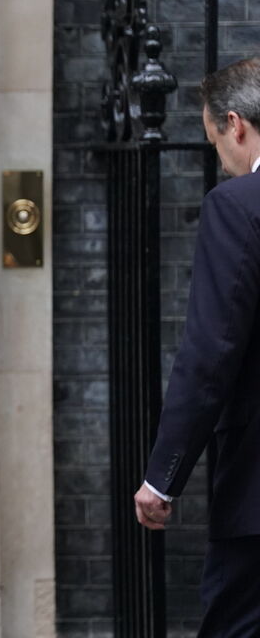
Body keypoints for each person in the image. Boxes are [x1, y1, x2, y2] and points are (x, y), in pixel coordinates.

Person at [134, 58, 260, 636]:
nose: (222, 161)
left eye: (215, 143)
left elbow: (211, 353)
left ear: (235, 125)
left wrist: (164, 477)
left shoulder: (239, 208)